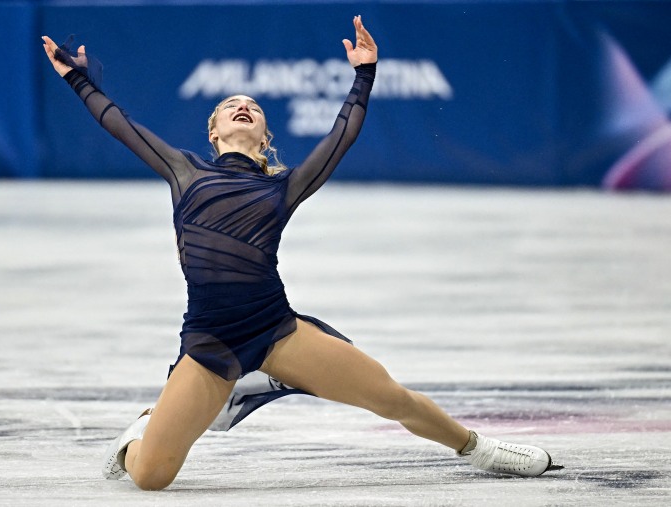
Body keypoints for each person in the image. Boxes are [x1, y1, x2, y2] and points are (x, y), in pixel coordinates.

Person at [42, 16, 561, 491]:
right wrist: (78, 79)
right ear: (213, 131)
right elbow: (118, 123)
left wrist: (365, 74)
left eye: (254, 108)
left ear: (265, 135)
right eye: (230, 106)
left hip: (275, 331)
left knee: (390, 397)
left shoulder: (285, 187)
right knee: (151, 476)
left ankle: (480, 449)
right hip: (209, 344)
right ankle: (142, 429)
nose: (242, 107)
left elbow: (343, 135)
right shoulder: (185, 172)